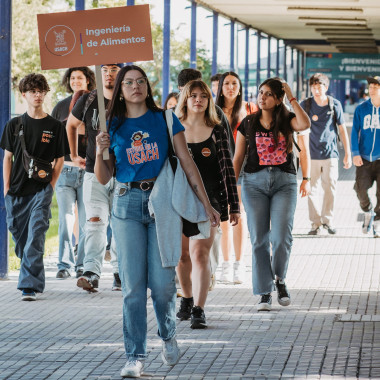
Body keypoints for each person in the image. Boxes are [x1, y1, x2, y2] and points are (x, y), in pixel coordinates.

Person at [94, 65, 220, 378]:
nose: (135, 86)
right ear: (120, 90)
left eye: (141, 81)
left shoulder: (164, 118)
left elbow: (188, 164)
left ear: (148, 87)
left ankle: (167, 335)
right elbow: (103, 176)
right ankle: (134, 356)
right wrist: (100, 151)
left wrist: (207, 205)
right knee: (133, 288)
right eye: (128, 83)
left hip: (161, 205)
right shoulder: (110, 123)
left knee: (163, 286)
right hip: (125, 204)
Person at [233, 78, 310, 311]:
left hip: (284, 183)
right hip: (253, 184)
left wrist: (292, 96)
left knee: (281, 237)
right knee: (258, 240)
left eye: (268, 94)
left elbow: (304, 124)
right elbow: (237, 158)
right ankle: (264, 292)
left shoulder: (288, 120)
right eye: (260, 93)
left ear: (278, 99)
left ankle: (280, 279)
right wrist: (231, 194)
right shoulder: (247, 123)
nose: (262, 97)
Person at [175, 79, 240, 328]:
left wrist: (233, 206)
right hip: (178, 200)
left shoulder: (217, 130)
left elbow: (227, 170)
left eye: (203, 96)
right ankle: (187, 299)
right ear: (185, 99)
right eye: (193, 96)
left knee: (200, 254)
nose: (198, 100)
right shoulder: (173, 128)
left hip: (209, 200)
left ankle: (199, 309)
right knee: (182, 257)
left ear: (209, 101)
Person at [1, 73, 67, 300]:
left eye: (41, 91)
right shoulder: (13, 124)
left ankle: (29, 285)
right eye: (32, 91)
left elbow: (60, 159)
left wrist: (51, 185)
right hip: (16, 190)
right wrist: (6, 188)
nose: (37, 95)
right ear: (24, 95)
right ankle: (30, 265)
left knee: (36, 234)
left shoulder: (55, 126)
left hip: (41, 190)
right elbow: (7, 158)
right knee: (19, 236)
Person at [66, 63, 122, 292]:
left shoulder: (128, 98)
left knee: (121, 224)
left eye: (114, 69)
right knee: (95, 223)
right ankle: (91, 272)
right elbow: (71, 125)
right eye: (105, 69)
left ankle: (120, 272)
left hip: (123, 173)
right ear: (99, 74)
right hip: (93, 171)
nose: (109, 74)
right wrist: (73, 154)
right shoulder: (88, 100)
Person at [52, 66, 95, 280]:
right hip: (66, 171)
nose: (76, 81)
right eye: (72, 78)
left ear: (88, 80)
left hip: (88, 171)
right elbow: (53, 138)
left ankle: (82, 265)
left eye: (80, 77)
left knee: (87, 221)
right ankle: (64, 264)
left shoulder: (96, 105)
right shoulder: (60, 107)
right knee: (66, 219)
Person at [215, 71, 258, 284]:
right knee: (224, 216)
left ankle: (239, 264)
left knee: (238, 214)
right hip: (220, 168)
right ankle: (225, 263)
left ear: (240, 87)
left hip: (243, 168)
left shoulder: (251, 109)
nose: (231, 87)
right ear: (220, 88)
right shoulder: (213, 111)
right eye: (227, 84)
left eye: (235, 83)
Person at [300, 73, 352, 235]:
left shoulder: (334, 105)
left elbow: (342, 130)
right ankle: (315, 224)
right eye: (313, 87)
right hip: (311, 155)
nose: (316, 90)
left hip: (331, 154)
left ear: (326, 87)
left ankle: (328, 221)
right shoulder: (305, 105)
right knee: (311, 189)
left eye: (319, 87)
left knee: (330, 188)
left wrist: (348, 154)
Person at [351, 76, 380, 237]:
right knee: (361, 190)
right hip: (364, 158)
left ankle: (377, 224)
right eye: (371, 85)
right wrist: (355, 153)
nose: (373, 88)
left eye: (377, 85)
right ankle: (368, 211)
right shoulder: (361, 109)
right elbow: (354, 132)